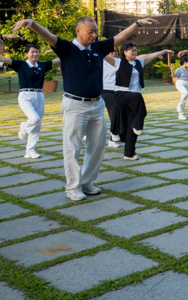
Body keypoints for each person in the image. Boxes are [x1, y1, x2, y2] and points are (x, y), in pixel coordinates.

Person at [11, 16, 158, 201]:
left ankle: (87, 182)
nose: (94, 35)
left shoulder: (97, 48)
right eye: (91, 32)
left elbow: (119, 38)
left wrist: (137, 24)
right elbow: (48, 36)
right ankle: (72, 188)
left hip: (97, 104)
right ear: (78, 31)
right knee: (72, 148)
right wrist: (32, 23)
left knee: (98, 146)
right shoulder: (67, 48)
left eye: (96, 31)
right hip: (74, 104)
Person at [105, 43, 172, 160]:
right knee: (138, 100)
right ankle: (138, 125)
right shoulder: (118, 62)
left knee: (133, 125)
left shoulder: (138, 63)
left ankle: (129, 153)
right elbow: (103, 55)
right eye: (131, 50)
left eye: (136, 50)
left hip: (134, 98)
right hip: (121, 95)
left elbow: (152, 55)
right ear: (124, 52)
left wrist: (165, 51)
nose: (134, 52)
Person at [0, 39, 60, 159]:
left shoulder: (42, 65)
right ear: (26, 54)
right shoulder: (20, 65)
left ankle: (30, 150)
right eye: (32, 52)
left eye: (37, 52)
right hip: (25, 95)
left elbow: (60, 59)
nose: (35, 54)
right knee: (34, 118)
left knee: (37, 124)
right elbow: (3, 59)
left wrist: (58, 51)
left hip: (39, 95)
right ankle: (24, 127)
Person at [101, 47, 126, 149]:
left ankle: (115, 137)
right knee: (115, 109)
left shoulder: (121, 62)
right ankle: (114, 134)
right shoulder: (102, 61)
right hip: (106, 90)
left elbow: (139, 57)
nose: (113, 52)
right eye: (110, 51)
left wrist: (161, 52)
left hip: (119, 91)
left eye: (115, 51)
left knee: (123, 111)